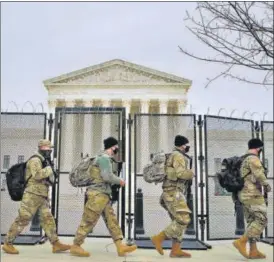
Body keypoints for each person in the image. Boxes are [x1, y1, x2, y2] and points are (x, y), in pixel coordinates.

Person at [70, 136, 137, 257]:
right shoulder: (104, 159)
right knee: (88, 220)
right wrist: (120, 181)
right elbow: (107, 177)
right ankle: (76, 245)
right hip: (97, 195)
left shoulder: (102, 158)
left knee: (112, 220)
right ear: (112, 147)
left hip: (103, 195)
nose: (117, 149)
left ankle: (120, 246)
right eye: (116, 147)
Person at [2, 139, 71, 254]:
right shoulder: (35, 159)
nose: (49, 151)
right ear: (41, 148)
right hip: (32, 195)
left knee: (48, 219)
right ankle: (8, 243)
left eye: (50, 149)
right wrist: (49, 170)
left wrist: (51, 178)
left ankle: (56, 243)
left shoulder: (43, 160)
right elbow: (37, 175)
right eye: (47, 148)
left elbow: (43, 179)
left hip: (41, 196)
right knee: (23, 218)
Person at [151, 135, 194, 258]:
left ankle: (176, 250)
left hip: (170, 192)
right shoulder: (178, 156)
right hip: (173, 193)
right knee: (183, 219)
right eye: (187, 145)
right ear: (183, 145)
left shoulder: (172, 155)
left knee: (178, 221)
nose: (188, 147)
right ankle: (158, 238)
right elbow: (181, 174)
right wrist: (191, 173)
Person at [233, 138, 271, 259]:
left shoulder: (243, 158)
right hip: (252, 194)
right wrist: (267, 185)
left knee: (252, 222)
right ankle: (241, 242)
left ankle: (253, 251)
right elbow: (259, 174)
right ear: (258, 148)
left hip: (243, 194)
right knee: (261, 220)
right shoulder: (253, 158)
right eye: (261, 149)